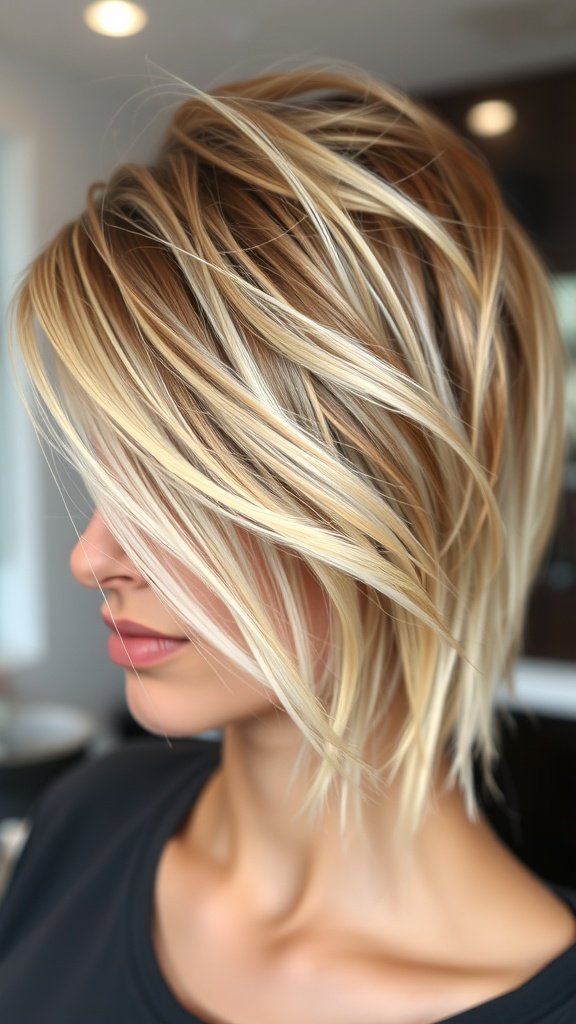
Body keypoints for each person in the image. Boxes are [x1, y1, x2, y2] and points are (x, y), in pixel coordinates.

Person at [1, 62, 575, 1024]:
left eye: (190, 486)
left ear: (401, 496)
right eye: (116, 474)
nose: (94, 557)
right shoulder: (85, 819)